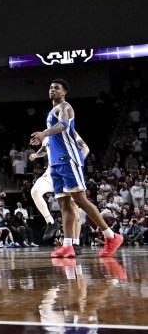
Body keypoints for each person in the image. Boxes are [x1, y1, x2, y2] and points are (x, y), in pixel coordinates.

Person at [30, 79, 123, 258]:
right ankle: (67, 245)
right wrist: (41, 144)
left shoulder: (65, 107)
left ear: (64, 92)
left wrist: (44, 133)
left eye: (56, 88)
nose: (52, 90)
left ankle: (111, 236)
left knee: (80, 201)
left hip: (68, 160)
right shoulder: (51, 112)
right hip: (55, 164)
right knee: (63, 204)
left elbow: (64, 125)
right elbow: (61, 134)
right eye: (50, 87)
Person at [29, 131, 90, 245]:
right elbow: (44, 149)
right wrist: (36, 155)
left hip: (68, 173)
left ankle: (75, 244)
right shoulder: (47, 134)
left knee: (73, 210)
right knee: (35, 191)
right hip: (51, 173)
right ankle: (51, 223)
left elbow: (85, 148)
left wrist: (77, 163)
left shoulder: (69, 131)